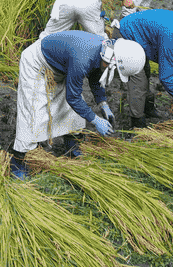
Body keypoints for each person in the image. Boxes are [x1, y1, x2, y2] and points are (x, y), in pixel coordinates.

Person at [9, 32, 146, 179]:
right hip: (37, 64)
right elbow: (72, 97)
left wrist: (103, 104)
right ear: (114, 62)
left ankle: (72, 146)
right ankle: (17, 162)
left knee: (74, 114)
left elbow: (95, 76)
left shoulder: (103, 51)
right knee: (33, 113)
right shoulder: (83, 57)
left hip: (61, 66)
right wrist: (95, 119)